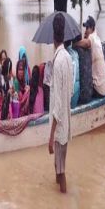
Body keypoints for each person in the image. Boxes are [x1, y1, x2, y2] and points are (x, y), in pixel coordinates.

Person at [48, 13, 73, 194]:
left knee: (61, 171)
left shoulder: (57, 62)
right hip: (66, 123)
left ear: (52, 36)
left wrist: (50, 136)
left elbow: (56, 106)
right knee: (59, 166)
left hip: (59, 126)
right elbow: (70, 92)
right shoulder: (68, 58)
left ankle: (64, 202)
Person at [74, 16, 105, 98]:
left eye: (87, 28)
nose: (85, 31)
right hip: (104, 87)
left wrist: (74, 44)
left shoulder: (92, 37)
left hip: (98, 88)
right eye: (85, 28)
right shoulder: (98, 39)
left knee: (81, 90)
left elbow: (86, 44)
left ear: (92, 28)